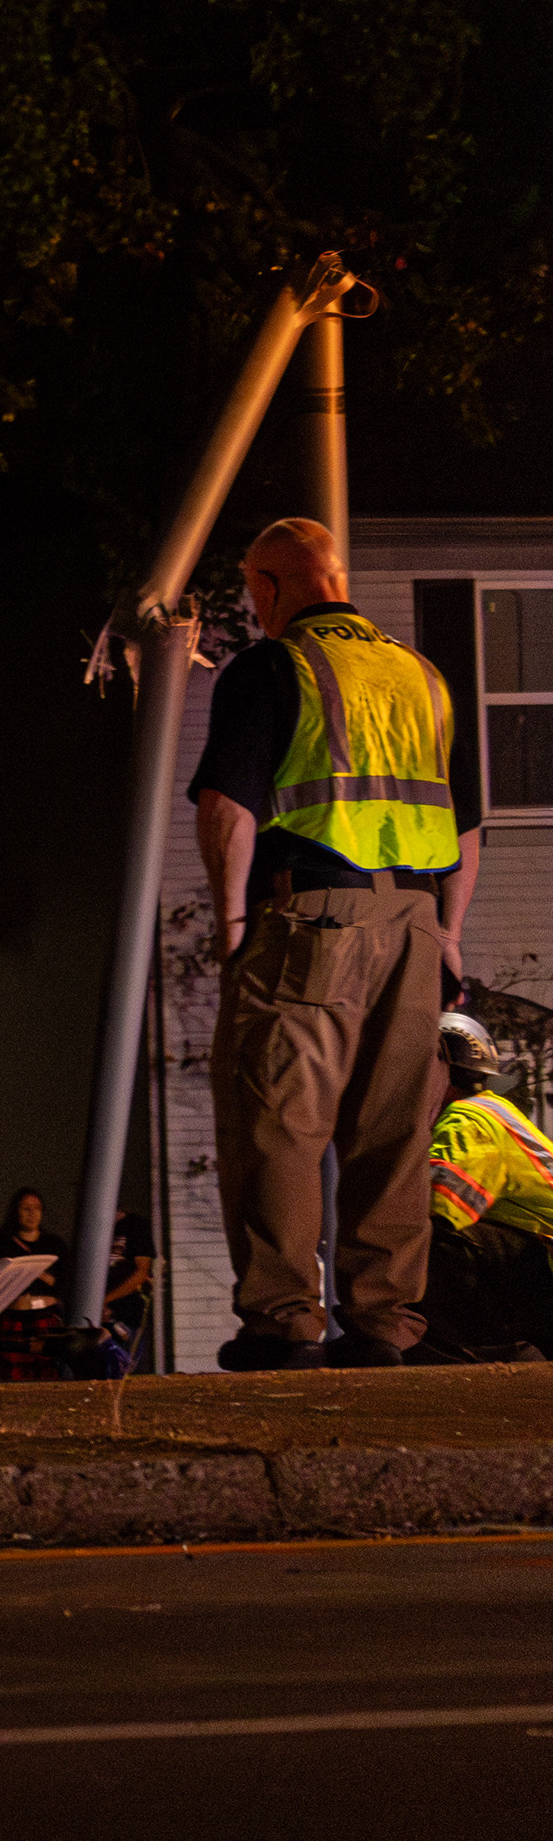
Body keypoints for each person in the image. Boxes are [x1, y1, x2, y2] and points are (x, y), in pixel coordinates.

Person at [189, 516, 483, 1371]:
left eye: (252, 592)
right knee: (393, 1133)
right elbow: (465, 826)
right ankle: (385, 1325)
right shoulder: (419, 676)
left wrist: (234, 927)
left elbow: (227, 811)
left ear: (272, 587)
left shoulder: (275, 667)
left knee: (277, 1121)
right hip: (417, 924)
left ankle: (285, 1322)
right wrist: (450, 936)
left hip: (312, 919)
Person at [423, 1015, 553, 1362]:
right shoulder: (493, 1111)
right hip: (541, 1266)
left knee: (425, 1240)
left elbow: (440, 1209)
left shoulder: (468, 1119)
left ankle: (488, 1348)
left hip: (543, 1273)